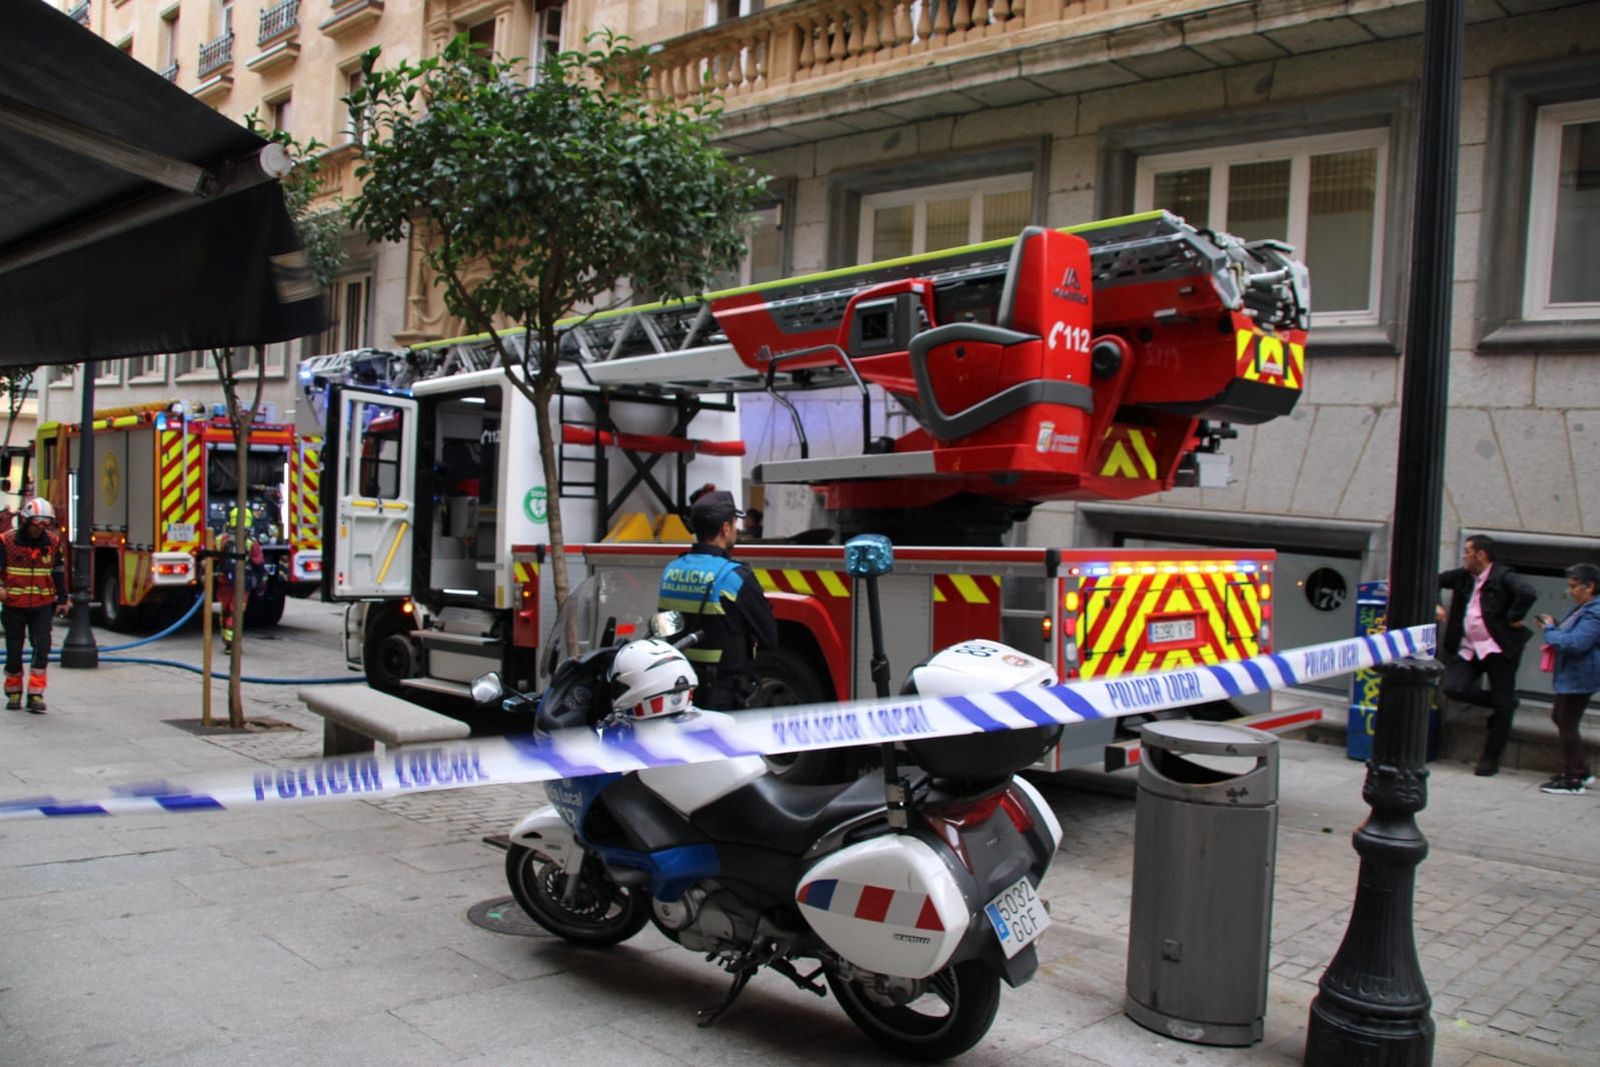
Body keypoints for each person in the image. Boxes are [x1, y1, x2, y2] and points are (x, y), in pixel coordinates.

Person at [657, 490, 777, 710]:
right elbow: (770, 637)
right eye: (734, 523)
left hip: (680, 692)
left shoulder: (670, 571)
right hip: (723, 697)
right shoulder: (734, 577)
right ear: (726, 528)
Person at [1437, 534, 1538, 776]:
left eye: (1468, 552)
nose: (1464, 556)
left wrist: (1513, 617)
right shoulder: (1463, 576)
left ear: (1481, 555)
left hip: (1498, 649)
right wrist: (1436, 604)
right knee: (1454, 687)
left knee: (1502, 711)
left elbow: (1527, 592)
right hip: (1469, 647)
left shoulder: (1503, 576)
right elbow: (1434, 579)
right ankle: (1504, 701)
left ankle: (1490, 758)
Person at [1532, 563, 1600, 795]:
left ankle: (1573, 780)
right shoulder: (1584, 608)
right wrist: (1554, 627)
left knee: (1567, 722)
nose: (1569, 591)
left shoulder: (1596, 612)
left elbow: (1576, 643)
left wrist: (1550, 630)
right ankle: (1580, 770)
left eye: (1573, 586)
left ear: (1589, 587)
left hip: (1581, 675)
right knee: (1560, 717)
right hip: (1573, 674)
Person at [0, 497, 68, 712]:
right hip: (14, 605)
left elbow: (58, 571)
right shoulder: (6, 541)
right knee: (13, 650)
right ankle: (13, 692)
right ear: (27, 521)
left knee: (42, 647)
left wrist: (63, 599)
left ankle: (36, 695)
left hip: (42, 604)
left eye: (47, 523)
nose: (42, 528)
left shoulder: (53, 543)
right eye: (38, 522)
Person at [214, 507, 265, 651]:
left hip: (224, 583)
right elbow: (258, 564)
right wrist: (262, 583)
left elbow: (214, 560)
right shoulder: (251, 542)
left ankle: (228, 640)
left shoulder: (220, 540)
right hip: (242, 583)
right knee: (237, 612)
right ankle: (234, 643)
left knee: (226, 611)